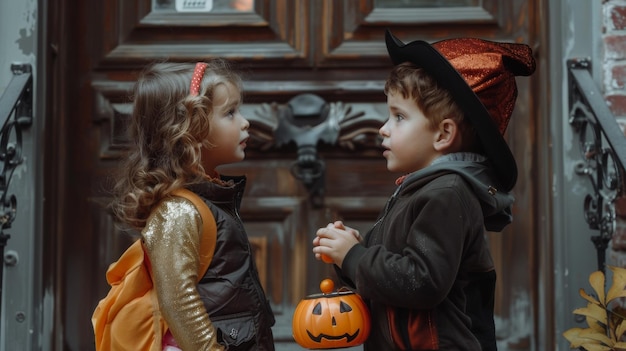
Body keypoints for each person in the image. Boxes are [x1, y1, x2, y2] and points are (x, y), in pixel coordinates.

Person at [312, 30, 536, 350]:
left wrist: (355, 257)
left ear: (443, 134)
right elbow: (392, 277)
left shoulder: (447, 193)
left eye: (399, 117)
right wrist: (352, 254)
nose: (383, 129)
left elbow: (422, 283)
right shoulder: (421, 189)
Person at [109, 59, 275, 351]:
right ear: (190, 129)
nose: (245, 121)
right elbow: (178, 301)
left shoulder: (211, 200)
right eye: (230, 113)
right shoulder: (178, 211)